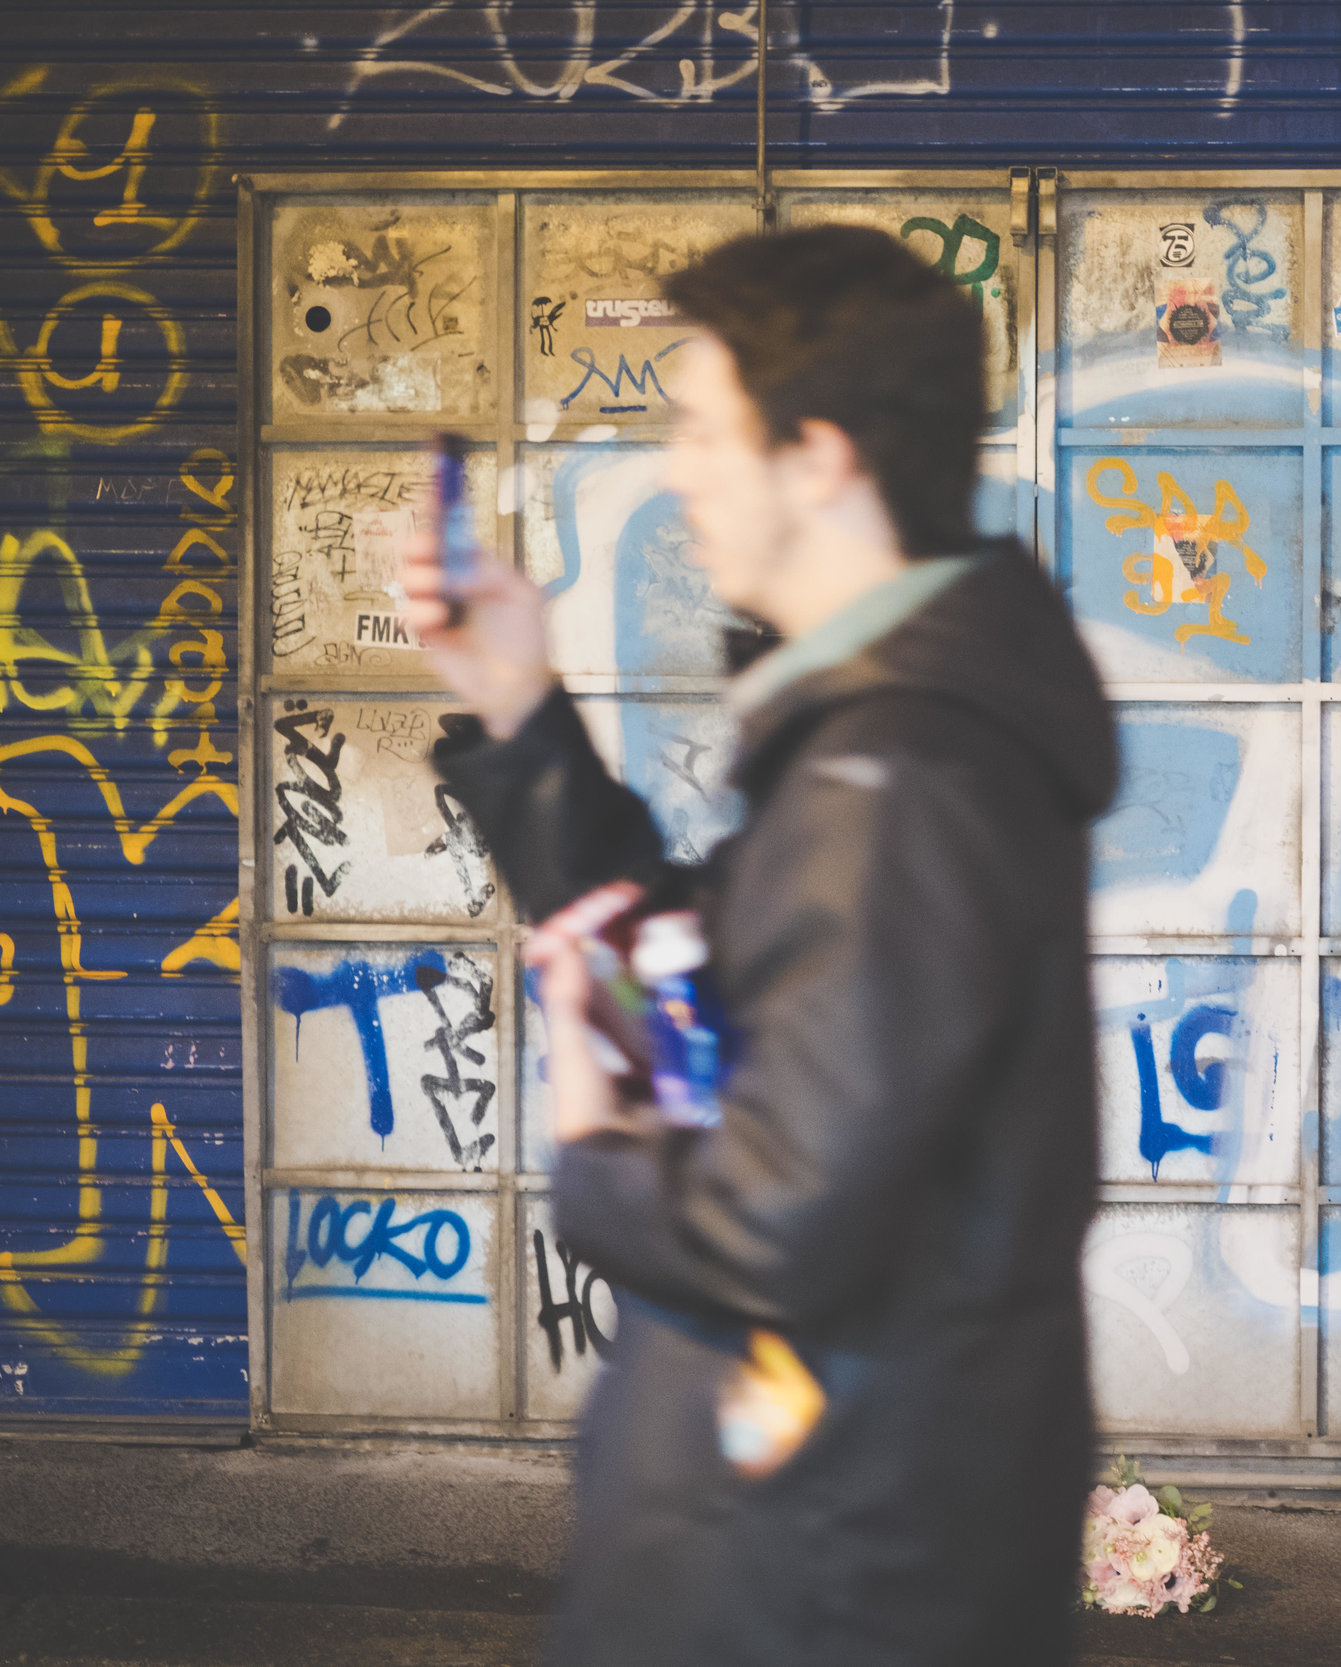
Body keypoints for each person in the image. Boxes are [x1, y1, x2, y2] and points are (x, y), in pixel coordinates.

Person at [398, 226, 1117, 1667]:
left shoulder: (896, 777)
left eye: (704, 427)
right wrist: (522, 711)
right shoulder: (880, 740)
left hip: (825, 1556)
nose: (677, 468)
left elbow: (777, 1210)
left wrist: (595, 1148)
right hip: (827, 1517)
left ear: (823, 454)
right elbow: (697, 979)